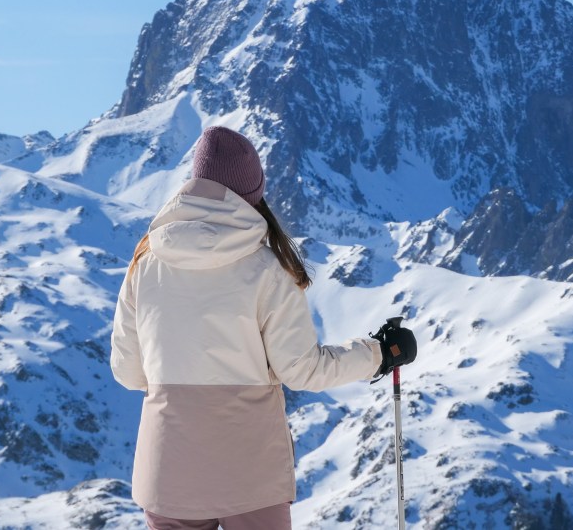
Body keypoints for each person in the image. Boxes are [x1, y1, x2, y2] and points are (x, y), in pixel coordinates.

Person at [110, 126, 417, 530]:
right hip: (248, 472)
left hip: (168, 473)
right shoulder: (267, 269)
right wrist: (379, 353)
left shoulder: (145, 263)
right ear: (253, 194)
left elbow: (128, 372)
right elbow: (303, 370)